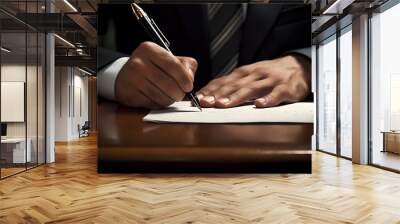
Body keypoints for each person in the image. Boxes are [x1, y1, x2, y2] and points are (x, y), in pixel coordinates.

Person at [98, 3, 311, 109]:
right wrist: (115, 71)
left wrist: (309, 64)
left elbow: (341, 27)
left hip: (286, 144)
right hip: (152, 142)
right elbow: (69, 31)